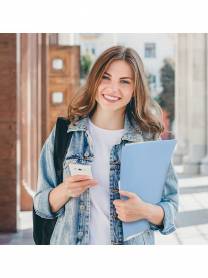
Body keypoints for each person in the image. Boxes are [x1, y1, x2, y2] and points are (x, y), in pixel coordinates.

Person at [33, 45, 179, 245]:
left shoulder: (148, 140)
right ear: (94, 80)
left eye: (125, 82)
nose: (113, 89)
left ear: (135, 89)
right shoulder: (65, 133)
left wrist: (144, 211)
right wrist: (64, 190)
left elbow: (171, 207)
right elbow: (40, 204)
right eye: (106, 77)